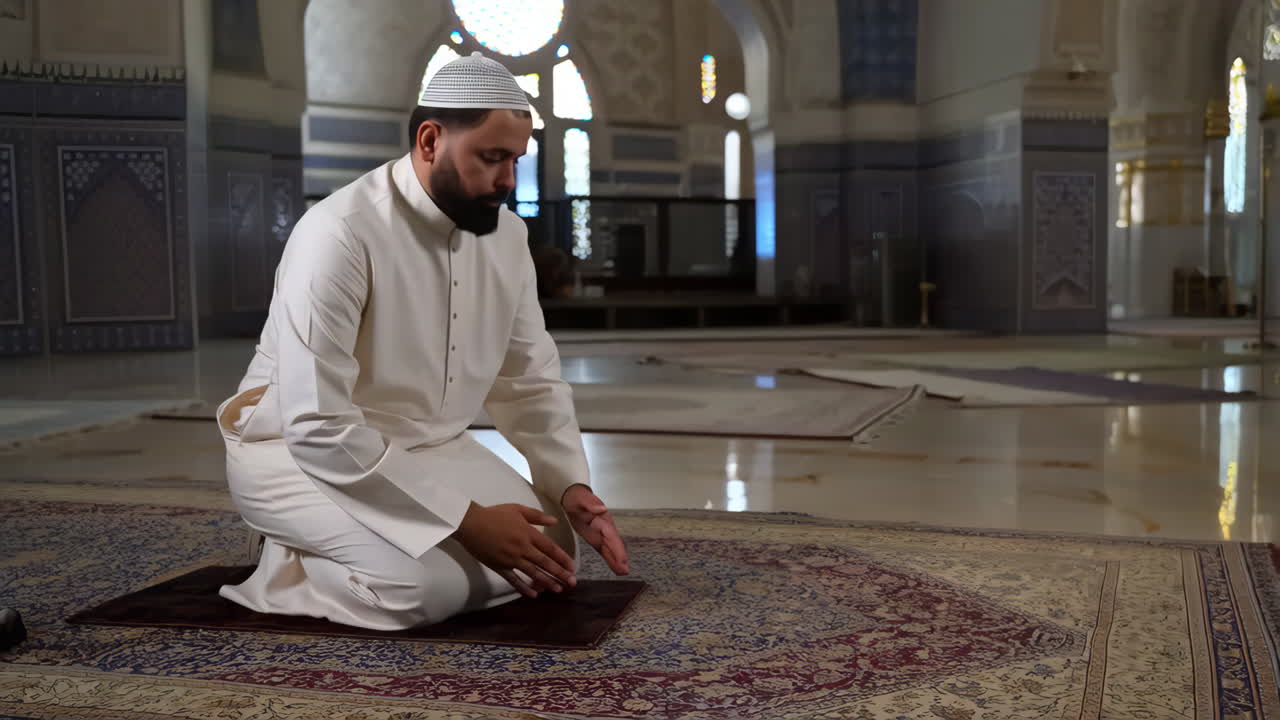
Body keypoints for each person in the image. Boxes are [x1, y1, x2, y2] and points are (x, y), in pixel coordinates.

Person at [214, 52, 629, 631]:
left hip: (430, 449)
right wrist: (468, 521)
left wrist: (571, 486)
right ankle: (291, 561)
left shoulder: (507, 236)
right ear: (430, 140)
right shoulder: (338, 234)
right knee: (420, 590)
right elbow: (317, 425)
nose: (509, 180)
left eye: (515, 159)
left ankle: (377, 546)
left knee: (552, 552)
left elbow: (528, 378)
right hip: (298, 454)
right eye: (492, 158)